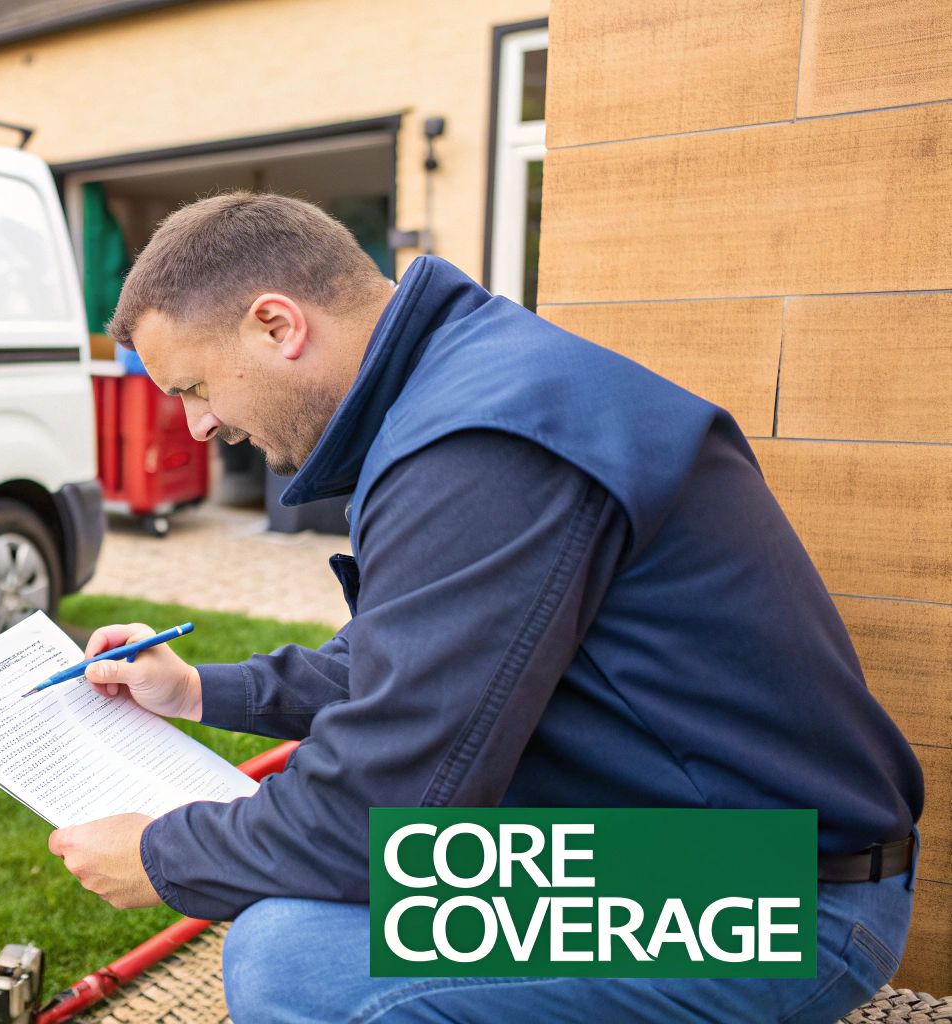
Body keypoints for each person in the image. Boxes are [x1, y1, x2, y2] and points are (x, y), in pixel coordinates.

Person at [45, 193, 923, 1023]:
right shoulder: (462, 389)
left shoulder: (480, 443)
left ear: (277, 326)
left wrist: (165, 854)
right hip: (689, 848)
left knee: (295, 956)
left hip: (769, 892)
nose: (200, 428)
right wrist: (201, 689)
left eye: (195, 388)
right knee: (307, 907)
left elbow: (376, 818)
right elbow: (411, 659)